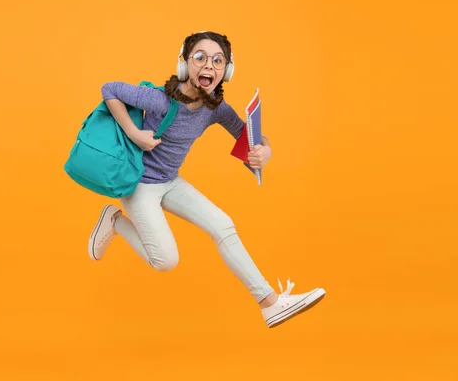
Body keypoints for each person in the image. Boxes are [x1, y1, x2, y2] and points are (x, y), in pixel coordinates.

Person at [87, 31, 325, 328]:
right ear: (185, 65)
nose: (209, 66)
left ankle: (270, 304)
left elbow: (247, 136)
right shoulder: (160, 100)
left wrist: (266, 150)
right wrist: (135, 134)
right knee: (166, 261)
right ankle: (115, 221)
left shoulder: (216, 110)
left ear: (227, 70)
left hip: (170, 181)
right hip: (140, 184)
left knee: (223, 225)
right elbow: (109, 89)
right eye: (200, 58)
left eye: (218, 60)